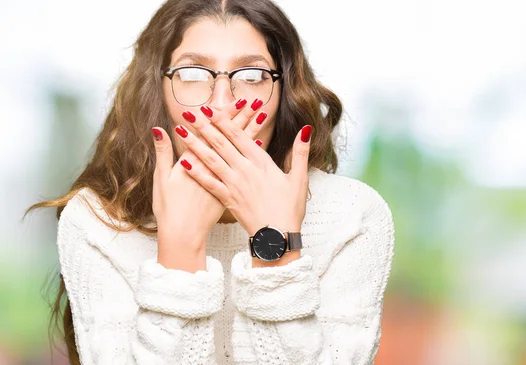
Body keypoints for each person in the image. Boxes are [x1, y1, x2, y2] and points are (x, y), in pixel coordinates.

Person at [28, 0, 395, 363]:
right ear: (156, 90)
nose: (222, 105)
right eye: (192, 74)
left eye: (252, 76)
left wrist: (276, 247)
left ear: (284, 91)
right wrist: (180, 252)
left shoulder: (353, 216)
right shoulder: (98, 221)